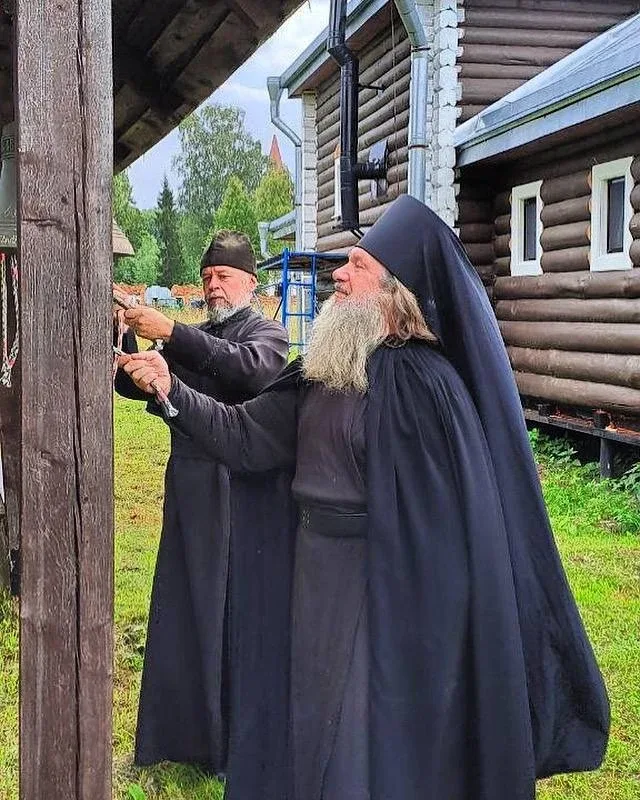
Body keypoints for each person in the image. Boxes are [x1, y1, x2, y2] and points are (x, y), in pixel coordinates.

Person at [119, 196, 610, 800]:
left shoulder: (429, 388)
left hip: (379, 594)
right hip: (310, 575)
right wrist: (170, 390)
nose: (340, 276)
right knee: (308, 721)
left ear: (395, 294)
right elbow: (244, 438)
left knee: (357, 745)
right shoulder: (325, 369)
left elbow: (440, 536)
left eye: (357, 265)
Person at [114, 229, 289, 771]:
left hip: (237, 493)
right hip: (188, 490)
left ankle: (229, 743)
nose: (213, 286)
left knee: (226, 614)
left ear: (249, 282)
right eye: (208, 277)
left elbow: (249, 369)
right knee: (184, 611)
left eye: (224, 276)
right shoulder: (198, 337)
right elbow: (135, 385)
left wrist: (171, 331)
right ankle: (182, 739)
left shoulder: (267, 333)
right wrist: (125, 336)